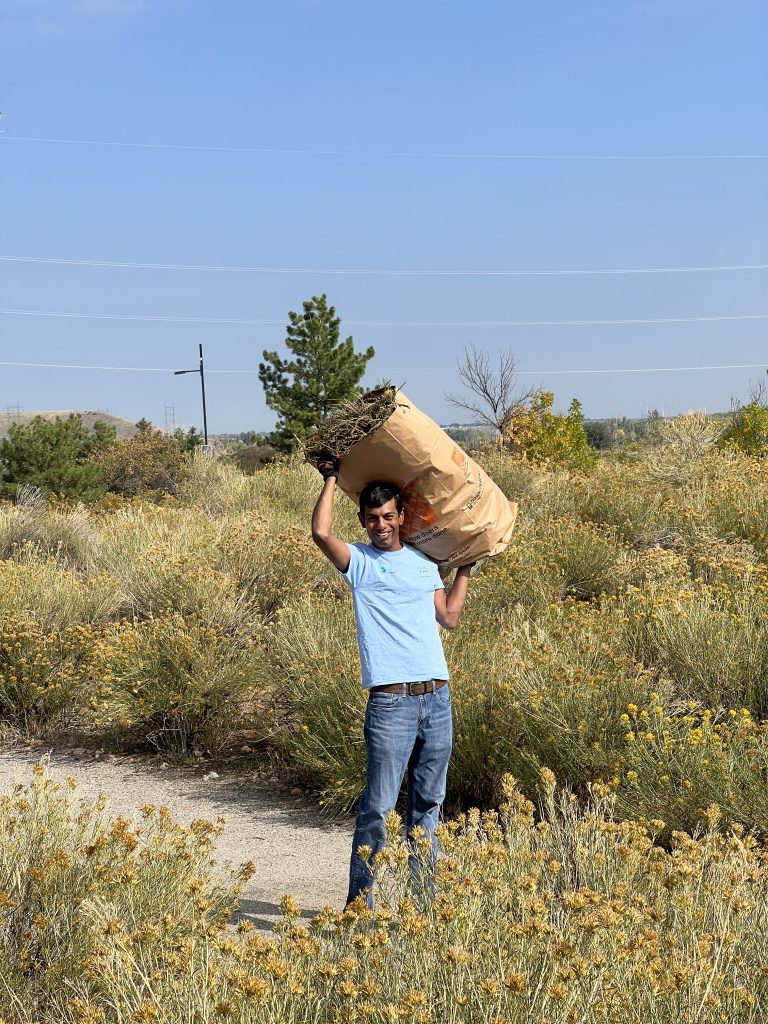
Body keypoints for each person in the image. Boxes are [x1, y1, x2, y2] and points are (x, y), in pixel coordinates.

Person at [311, 456, 473, 907]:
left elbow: (450, 617)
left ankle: (425, 905)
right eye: (371, 519)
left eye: (387, 517)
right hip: (391, 705)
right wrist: (330, 479)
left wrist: (464, 570)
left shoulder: (424, 564)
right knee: (378, 808)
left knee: (428, 806)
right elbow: (322, 534)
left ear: (402, 517)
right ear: (362, 522)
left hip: (437, 699)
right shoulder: (360, 562)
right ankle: (360, 906)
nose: (380, 525)